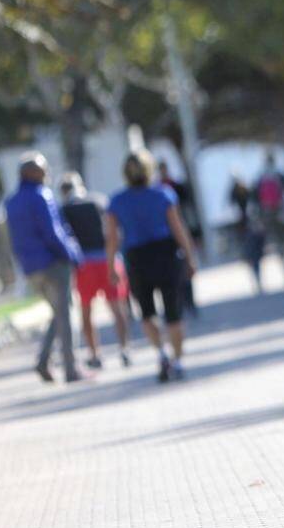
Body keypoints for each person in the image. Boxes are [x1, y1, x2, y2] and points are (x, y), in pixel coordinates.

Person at [106, 150, 197, 382]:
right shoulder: (163, 194)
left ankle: (161, 352)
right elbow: (178, 228)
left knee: (147, 312)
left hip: (137, 258)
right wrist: (189, 256)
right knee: (173, 312)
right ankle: (177, 361)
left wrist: (110, 267)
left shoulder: (117, 201)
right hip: (166, 254)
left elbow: (113, 238)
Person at [5, 151, 84, 383]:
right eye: (42, 168)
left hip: (31, 268)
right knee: (65, 314)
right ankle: (71, 369)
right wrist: (73, 255)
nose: (47, 172)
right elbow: (53, 233)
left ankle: (43, 360)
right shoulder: (42, 195)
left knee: (58, 312)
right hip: (52, 264)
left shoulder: (11, 202)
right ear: (29, 173)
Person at [59, 171, 132, 369]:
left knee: (86, 311)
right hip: (108, 259)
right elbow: (114, 231)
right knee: (117, 308)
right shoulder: (99, 202)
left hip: (84, 265)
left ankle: (94, 353)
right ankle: (124, 349)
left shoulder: (63, 210)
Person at [157, 160, 199, 318]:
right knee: (175, 273)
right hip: (168, 236)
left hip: (180, 230)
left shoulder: (176, 187)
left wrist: (194, 234)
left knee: (186, 269)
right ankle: (180, 303)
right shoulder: (159, 189)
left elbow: (188, 210)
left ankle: (190, 302)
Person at [253, 153, 284, 288]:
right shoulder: (280, 176)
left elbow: (255, 202)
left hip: (270, 216)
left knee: (279, 244)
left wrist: (259, 219)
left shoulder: (261, 178)